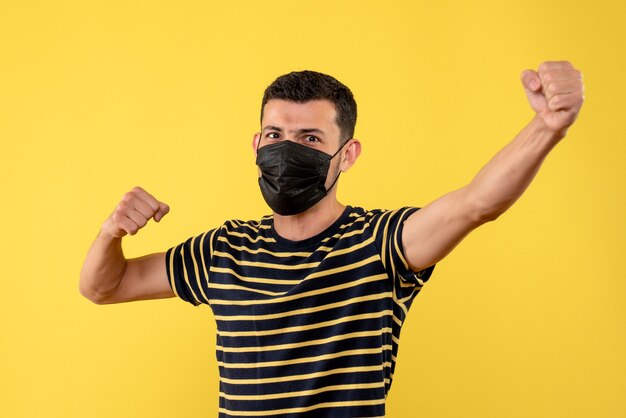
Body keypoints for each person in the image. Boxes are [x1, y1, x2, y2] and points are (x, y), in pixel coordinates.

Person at [79, 62, 584, 417]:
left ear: (348, 154)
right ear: (256, 144)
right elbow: (103, 286)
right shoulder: (222, 250)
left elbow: (478, 202)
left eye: (311, 139)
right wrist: (110, 233)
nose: (286, 150)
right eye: (275, 136)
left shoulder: (382, 242)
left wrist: (547, 126)